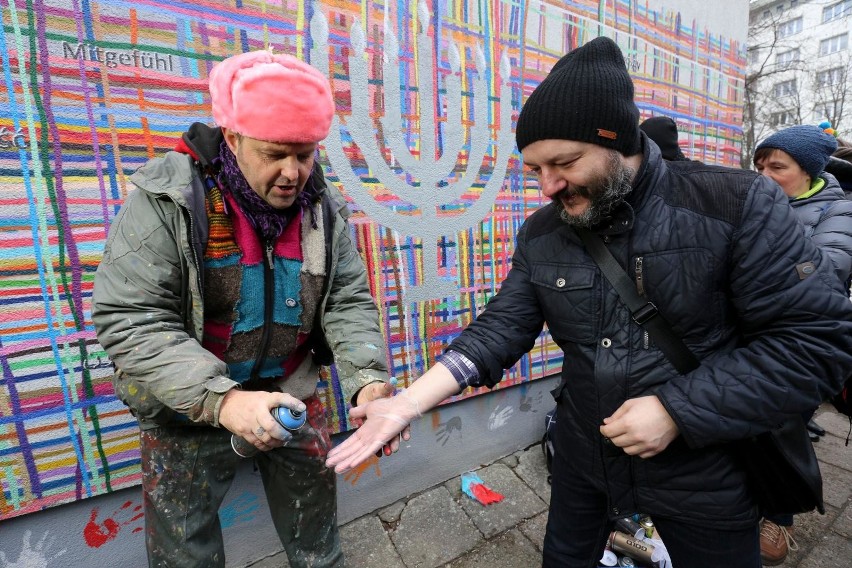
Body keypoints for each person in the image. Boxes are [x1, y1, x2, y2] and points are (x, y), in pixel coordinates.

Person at [325, 37, 852, 568]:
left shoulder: (735, 204)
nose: (548, 186)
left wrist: (677, 409)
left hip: (704, 477)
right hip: (585, 466)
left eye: (565, 162)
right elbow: (501, 327)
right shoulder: (543, 232)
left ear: (620, 143)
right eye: (534, 169)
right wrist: (408, 402)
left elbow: (814, 345)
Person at [92, 51, 401, 568]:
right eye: (275, 153)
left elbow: (347, 299)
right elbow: (131, 318)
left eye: (305, 155)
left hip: (291, 396)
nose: (293, 173)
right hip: (186, 410)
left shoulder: (322, 207)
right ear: (232, 139)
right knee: (185, 557)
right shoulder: (168, 200)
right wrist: (225, 401)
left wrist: (368, 380)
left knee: (318, 547)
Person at [752, 124, 852, 566]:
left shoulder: (841, 211)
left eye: (778, 167)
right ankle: (745, 503)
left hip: (803, 345)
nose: (764, 175)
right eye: (759, 166)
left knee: (782, 426)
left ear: (808, 171)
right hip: (751, 334)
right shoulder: (753, 203)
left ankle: (780, 517)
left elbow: (827, 270)